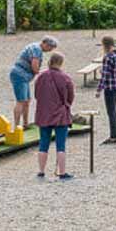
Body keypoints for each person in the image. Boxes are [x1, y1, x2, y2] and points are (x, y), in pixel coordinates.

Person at [33, 51, 75, 180]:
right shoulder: (66, 78)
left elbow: (36, 95)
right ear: (61, 63)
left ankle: (41, 171)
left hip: (44, 114)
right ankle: (62, 172)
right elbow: (70, 97)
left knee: (43, 143)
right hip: (60, 115)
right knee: (61, 145)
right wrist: (66, 105)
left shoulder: (40, 77)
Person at [10, 35, 59, 131]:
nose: (50, 50)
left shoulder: (35, 47)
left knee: (27, 101)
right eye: (50, 48)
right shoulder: (37, 50)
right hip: (20, 75)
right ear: (45, 44)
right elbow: (35, 66)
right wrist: (45, 74)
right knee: (20, 101)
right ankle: (16, 127)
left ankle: (25, 123)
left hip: (23, 76)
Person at [96, 35, 116, 145]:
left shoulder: (108, 57)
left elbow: (105, 76)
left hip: (110, 88)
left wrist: (98, 90)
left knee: (111, 112)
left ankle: (113, 136)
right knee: (113, 111)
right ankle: (115, 133)